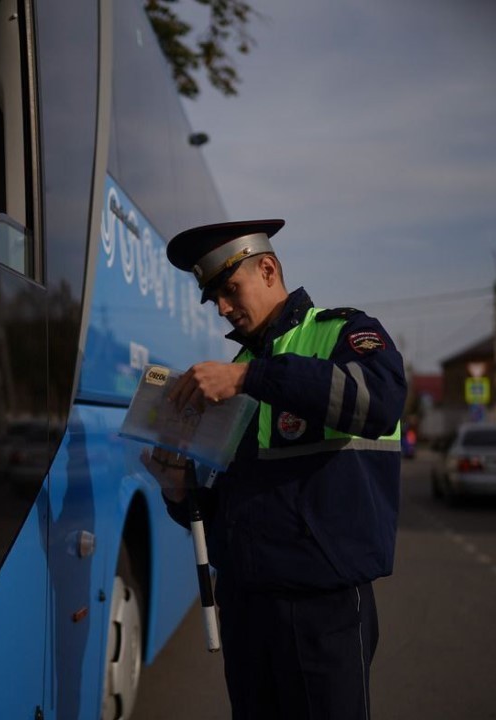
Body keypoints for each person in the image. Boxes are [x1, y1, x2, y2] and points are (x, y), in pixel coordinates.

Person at [142, 219, 406, 720]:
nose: (222, 307)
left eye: (228, 289)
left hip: (320, 608)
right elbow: (233, 505)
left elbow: (381, 401)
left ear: (267, 269)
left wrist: (251, 376)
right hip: (246, 605)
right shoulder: (240, 370)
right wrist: (179, 492)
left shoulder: (344, 332)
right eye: (212, 298)